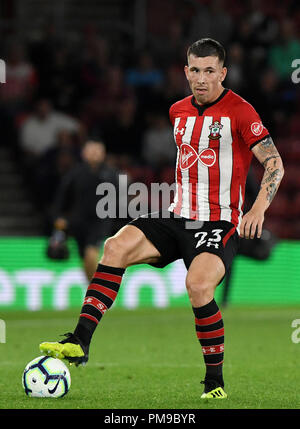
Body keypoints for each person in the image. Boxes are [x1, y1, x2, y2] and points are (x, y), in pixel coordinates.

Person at [40, 38, 284, 399]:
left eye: (210, 71)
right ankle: (80, 341)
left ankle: (214, 382)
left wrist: (258, 207)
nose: (201, 79)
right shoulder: (177, 111)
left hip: (218, 223)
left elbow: (274, 163)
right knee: (115, 246)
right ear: (186, 72)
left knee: (199, 286)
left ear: (223, 72)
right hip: (176, 217)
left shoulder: (241, 111)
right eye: (195, 71)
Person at [50, 140, 119, 282]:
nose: (94, 153)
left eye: (97, 150)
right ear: (84, 153)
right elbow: (62, 197)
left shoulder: (111, 174)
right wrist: (59, 217)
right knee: (85, 260)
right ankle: (93, 290)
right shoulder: (74, 174)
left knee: (91, 254)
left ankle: (100, 292)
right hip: (79, 222)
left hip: (100, 221)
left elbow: (120, 198)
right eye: (91, 150)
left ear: (103, 153)